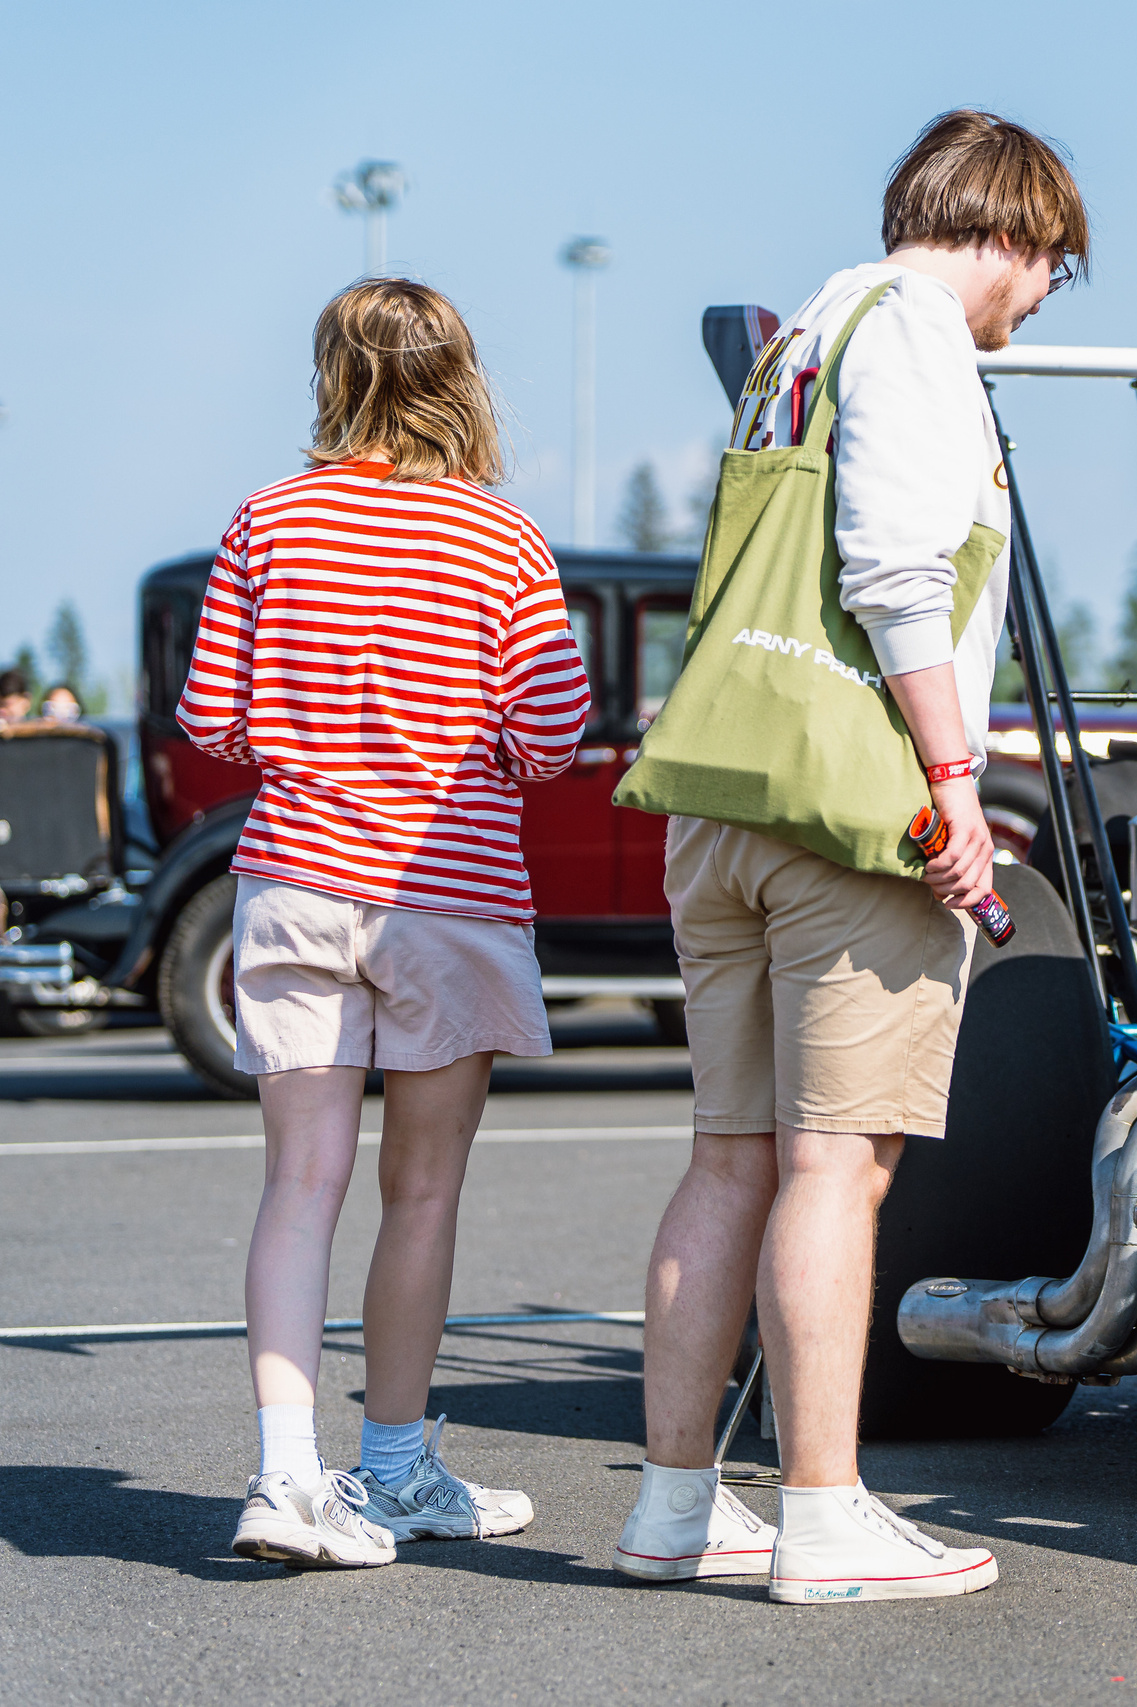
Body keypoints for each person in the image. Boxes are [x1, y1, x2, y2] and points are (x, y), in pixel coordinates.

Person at [612, 109, 1085, 1606]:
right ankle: (822, 1512)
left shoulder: (804, 332)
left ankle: (676, 1507)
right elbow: (893, 566)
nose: (1044, 296)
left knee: (727, 1158)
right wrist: (952, 781)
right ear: (1007, 232)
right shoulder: (920, 335)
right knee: (835, 1165)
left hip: (724, 796)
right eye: (1053, 265)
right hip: (845, 807)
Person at [179, 278, 593, 1568]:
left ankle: (284, 1479)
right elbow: (552, 737)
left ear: (332, 375)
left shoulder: (267, 519)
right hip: (446, 898)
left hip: (295, 881)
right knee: (422, 1192)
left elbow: (210, 721)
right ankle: (397, 1470)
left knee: (299, 1185)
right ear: (459, 377)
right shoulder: (503, 538)